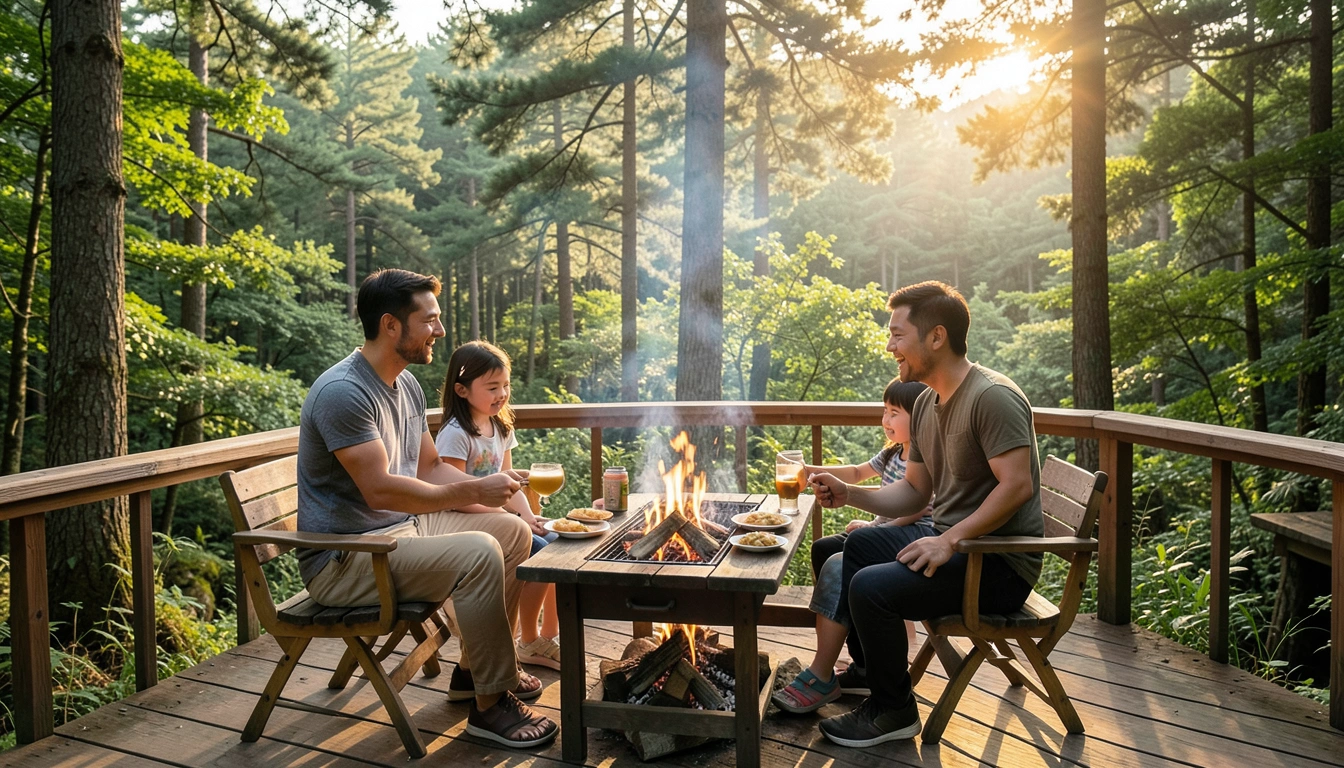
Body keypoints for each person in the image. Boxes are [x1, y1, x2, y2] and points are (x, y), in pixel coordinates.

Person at [296, 269, 556, 749]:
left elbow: (432, 469)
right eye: (430, 320)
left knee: (514, 534)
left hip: (400, 534)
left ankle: (473, 673)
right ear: (392, 325)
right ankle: (490, 704)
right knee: (479, 552)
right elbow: (380, 492)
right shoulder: (344, 393)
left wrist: (487, 489)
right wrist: (472, 492)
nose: (439, 330)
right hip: (344, 557)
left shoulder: (407, 385)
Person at [807, 281, 1042, 747]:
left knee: (869, 586)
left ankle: (894, 710)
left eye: (898, 334)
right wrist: (849, 492)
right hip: (955, 544)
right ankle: (875, 675)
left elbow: (1017, 485)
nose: (890, 345)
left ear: (936, 337)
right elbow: (914, 493)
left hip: (997, 563)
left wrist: (949, 540)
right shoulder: (929, 405)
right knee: (850, 545)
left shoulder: (991, 396)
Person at [772, 378, 928, 714]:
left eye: (895, 413)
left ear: (920, 418)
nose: (886, 420)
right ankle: (864, 665)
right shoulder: (892, 453)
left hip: (911, 532)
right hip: (889, 526)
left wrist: (874, 527)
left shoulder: (924, 453)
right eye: (884, 411)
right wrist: (810, 471)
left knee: (847, 555)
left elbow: (916, 507)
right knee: (825, 548)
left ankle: (821, 673)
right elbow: (857, 473)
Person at [437, 340, 562, 671]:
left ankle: (550, 634)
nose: (502, 394)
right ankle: (528, 640)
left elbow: (509, 480)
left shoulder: (501, 426)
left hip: (499, 517)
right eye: (492, 387)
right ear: (462, 390)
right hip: (463, 522)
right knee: (539, 556)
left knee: (556, 545)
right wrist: (511, 518)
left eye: (505, 385)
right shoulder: (455, 434)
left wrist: (529, 516)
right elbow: (454, 494)